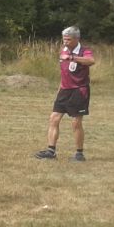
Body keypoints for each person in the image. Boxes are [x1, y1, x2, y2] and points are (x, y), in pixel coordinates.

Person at [35, 26, 95, 162]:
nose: (65, 42)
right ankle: (51, 151)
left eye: (68, 39)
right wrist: (59, 90)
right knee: (54, 119)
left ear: (77, 39)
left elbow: (91, 61)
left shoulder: (84, 50)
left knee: (76, 123)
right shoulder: (63, 51)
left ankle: (79, 154)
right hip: (64, 90)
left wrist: (72, 57)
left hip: (79, 90)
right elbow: (64, 74)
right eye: (64, 39)